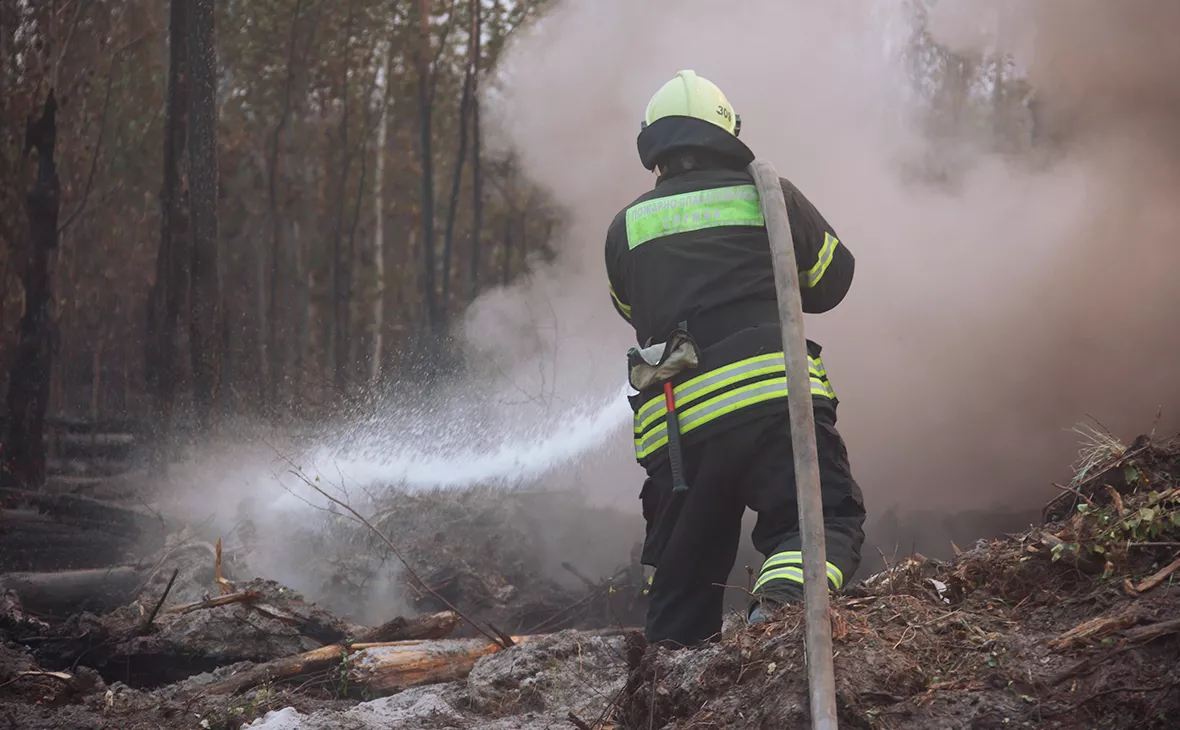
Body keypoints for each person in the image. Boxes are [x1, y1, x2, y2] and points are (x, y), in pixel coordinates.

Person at [603, 70, 867, 649]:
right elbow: (830, 280)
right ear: (728, 131)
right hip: (773, 406)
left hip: (679, 433)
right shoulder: (769, 195)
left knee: (682, 578)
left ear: (654, 146)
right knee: (818, 526)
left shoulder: (627, 227)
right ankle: (775, 617)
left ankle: (669, 691)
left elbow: (634, 310)